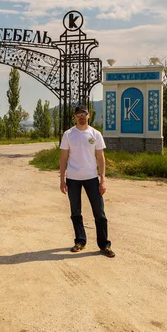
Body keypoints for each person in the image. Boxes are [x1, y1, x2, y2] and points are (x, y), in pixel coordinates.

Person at [59, 105, 115, 258]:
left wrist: (103, 179)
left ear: (88, 115)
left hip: (91, 178)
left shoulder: (95, 134)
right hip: (73, 178)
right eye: (78, 114)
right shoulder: (68, 134)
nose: (81, 117)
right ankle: (80, 241)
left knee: (100, 213)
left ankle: (104, 245)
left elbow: (100, 157)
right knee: (75, 212)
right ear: (75, 116)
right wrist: (62, 179)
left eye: (84, 114)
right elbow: (63, 158)